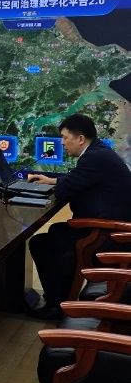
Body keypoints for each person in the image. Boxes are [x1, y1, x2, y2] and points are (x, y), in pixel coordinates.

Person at [26, 114, 131, 318]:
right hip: (114, 229)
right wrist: (52, 180)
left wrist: (57, 184)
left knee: (41, 243)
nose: (62, 143)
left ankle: (56, 305)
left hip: (109, 237)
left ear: (80, 139)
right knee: (56, 231)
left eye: (65, 138)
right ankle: (59, 298)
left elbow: (65, 190)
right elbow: (79, 179)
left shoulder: (93, 158)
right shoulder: (99, 151)